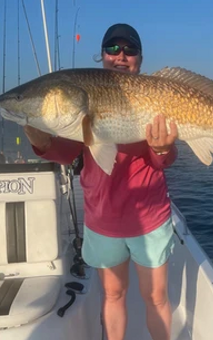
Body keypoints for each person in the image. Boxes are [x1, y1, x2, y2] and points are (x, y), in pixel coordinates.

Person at [24, 24, 178, 340]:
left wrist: (162, 148)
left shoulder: (157, 94)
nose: (120, 56)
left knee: (157, 297)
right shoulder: (87, 94)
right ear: (103, 56)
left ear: (139, 58)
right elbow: (70, 151)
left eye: (129, 50)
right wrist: (43, 144)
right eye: (112, 49)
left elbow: (162, 159)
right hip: (103, 217)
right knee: (112, 294)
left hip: (148, 218)